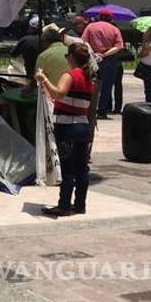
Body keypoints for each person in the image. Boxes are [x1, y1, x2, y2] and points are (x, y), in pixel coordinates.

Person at [35, 43, 96, 218]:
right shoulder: (87, 77)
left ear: (70, 58)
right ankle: (80, 204)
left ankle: (64, 205)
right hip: (82, 126)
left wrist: (44, 79)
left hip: (67, 127)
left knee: (68, 168)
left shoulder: (70, 75)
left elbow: (58, 93)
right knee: (81, 168)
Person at [81, 10, 124, 118]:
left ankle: (89, 110)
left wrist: (93, 53)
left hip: (92, 59)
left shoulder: (90, 27)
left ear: (99, 17)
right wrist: (104, 54)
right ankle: (102, 111)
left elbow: (84, 42)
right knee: (106, 87)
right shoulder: (114, 29)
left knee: (90, 85)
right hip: (109, 60)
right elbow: (118, 46)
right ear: (110, 18)